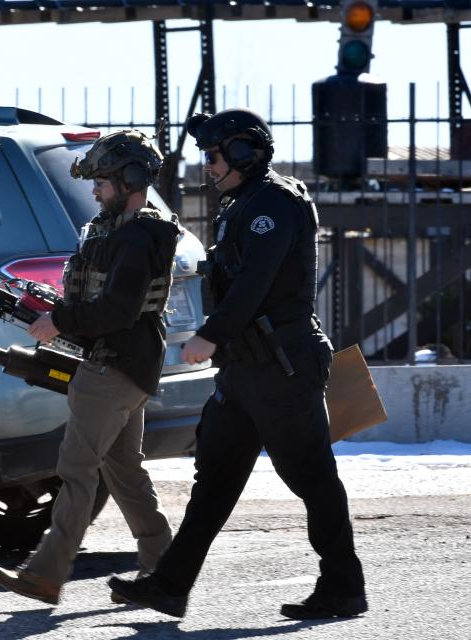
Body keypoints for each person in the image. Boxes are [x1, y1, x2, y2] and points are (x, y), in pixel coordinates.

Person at [109, 108, 367, 620]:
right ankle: (170, 585)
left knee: (311, 476)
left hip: (282, 367)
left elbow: (257, 281)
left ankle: (343, 586)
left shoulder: (276, 203)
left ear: (246, 152)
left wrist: (210, 335)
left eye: (214, 154)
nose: (207, 165)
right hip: (244, 370)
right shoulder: (239, 203)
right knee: (215, 479)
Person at [0, 129, 180, 605]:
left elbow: (116, 311)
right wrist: (51, 312)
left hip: (114, 367)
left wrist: (58, 321)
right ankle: (166, 568)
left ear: (130, 179)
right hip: (128, 364)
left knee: (76, 469)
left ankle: (46, 573)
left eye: (103, 183)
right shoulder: (125, 230)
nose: (94, 191)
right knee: (123, 472)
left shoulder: (137, 237)